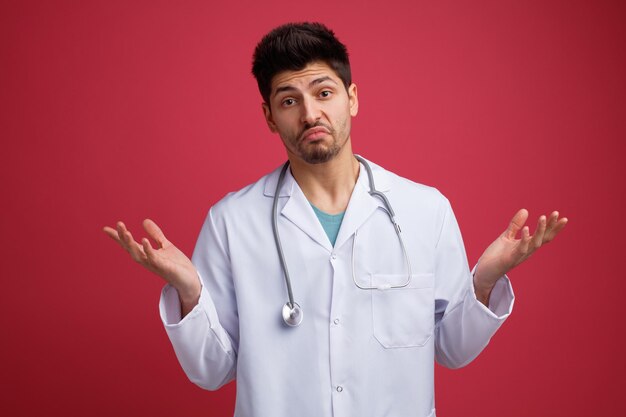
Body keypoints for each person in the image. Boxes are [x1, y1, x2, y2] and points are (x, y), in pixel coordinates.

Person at [103, 22, 567, 417]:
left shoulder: (425, 210)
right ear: (269, 116)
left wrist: (483, 283)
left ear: (352, 98)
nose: (310, 113)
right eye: (289, 101)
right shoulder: (231, 222)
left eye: (324, 92)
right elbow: (210, 372)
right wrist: (189, 292)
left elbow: (451, 349)